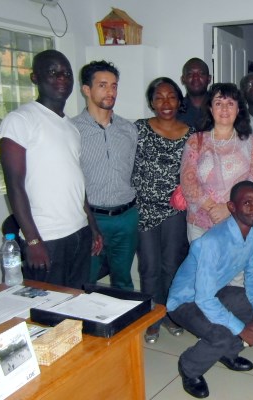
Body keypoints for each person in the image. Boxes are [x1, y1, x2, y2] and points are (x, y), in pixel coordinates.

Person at [0, 49, 103, 289]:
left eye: (66, 73)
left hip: (78, 231)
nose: (61, 78)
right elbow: (14, 186)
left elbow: (76, 182)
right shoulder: (20, 120)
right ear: (35, 77)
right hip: (46, 236)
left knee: (75, 304)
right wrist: (33, 240)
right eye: (53, 72)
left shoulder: (71, 127)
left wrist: (92, 226)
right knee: (45, 311)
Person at [167, 181, 253, 399]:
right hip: (185, 301)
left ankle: (228, 353)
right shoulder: (212, 242)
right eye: (247, 203)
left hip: (213, 293)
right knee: (223, 333)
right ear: (232, 207)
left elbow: (252, 276)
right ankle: (189, 367)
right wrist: (241, 330)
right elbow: (203, 300)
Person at [133, 77, 193, 343]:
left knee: (171, 265)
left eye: (171, 97)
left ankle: (169, 314)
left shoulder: (191, 134)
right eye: (159, 97)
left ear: (179, 101)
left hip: (175, 210)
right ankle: (151, 317)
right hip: (144, 209)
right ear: (151, 102)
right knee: (149, 267)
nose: (165, 102)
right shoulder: (139, 129)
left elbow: (194, 172)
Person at [72, 60, 138, 290]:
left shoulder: (129, 129)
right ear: (86, 90)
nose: (110, 91)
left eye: (114, 85)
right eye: (103, 85)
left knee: (123, 280)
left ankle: (127, 325)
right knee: (86, 280)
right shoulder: (72, 130)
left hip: (126, 216)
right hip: (91, 219)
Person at [180, 82, 253, 248]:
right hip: (200, 222)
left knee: (235, 273)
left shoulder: (251, 143)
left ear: (238, 109)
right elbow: (188, 181)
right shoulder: (196, 141)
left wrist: (228, 208)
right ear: (211, 109)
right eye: (218, 103)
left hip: (237, 220)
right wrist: (212, 208)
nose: (224, 109)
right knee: (203, 271)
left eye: (230, 104)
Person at [178, 58, 212, 128]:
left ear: (209, 78)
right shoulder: (176, 109)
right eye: (190, 74)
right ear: (183, 79)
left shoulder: (220, 107)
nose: (195, 78)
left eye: (201, 73)